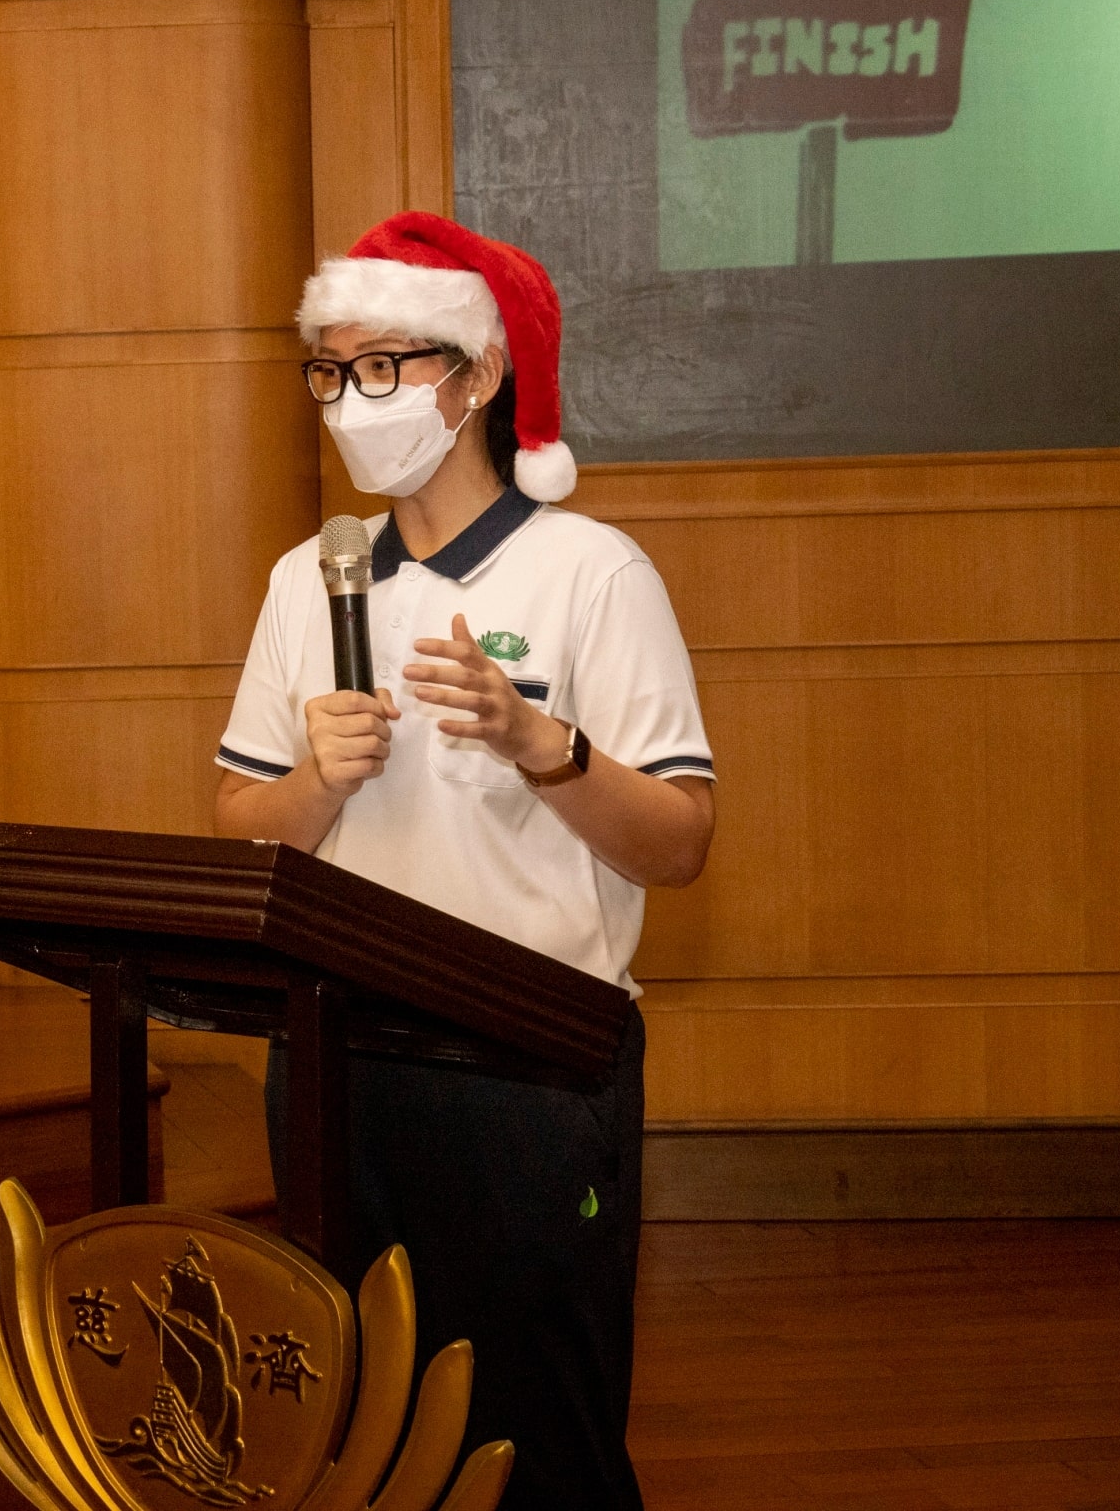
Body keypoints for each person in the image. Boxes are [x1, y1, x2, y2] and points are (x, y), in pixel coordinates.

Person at [212, 211, 716, 1510]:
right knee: (359, 1433)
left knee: (536, 1440)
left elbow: (681, 842)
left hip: (529, 1074)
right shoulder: (305, 583)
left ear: (479, 376)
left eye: (384, 366)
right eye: (330, 370)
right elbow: (237, 831)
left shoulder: (591, 573)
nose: (351, 401)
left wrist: (541, 744)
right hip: (333, 1064)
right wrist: (317, 778)